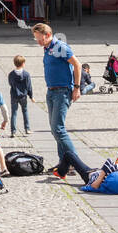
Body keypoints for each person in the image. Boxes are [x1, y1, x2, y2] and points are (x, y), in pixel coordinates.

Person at [32, 22, 82, 175]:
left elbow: (77, 65)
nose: (38, 42)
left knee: (58, 129)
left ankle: (74, 163)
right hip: (51, 92)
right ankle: (63, 163)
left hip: (62, 91)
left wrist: (77, 88)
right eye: (36, 39)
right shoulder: (47, 48)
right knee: (55, 130)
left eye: (39, 39)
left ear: (47, 35)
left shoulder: (60, 47)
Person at [7, 54, 34, 135]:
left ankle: (13, 131)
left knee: (14, 113)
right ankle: (27, 128)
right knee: (25, 111)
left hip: (14, 95)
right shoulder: (26, 74)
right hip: (23, 96)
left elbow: (10, 83)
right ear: (23, 64)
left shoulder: (11, 74)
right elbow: (29, 86)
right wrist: (31, 96)